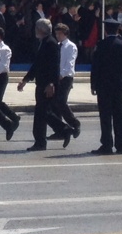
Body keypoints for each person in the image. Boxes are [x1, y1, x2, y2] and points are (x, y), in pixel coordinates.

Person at [17, 19, 68, 151]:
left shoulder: (51, 43)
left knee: (41, 113)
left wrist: (51, 83)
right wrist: (26, 80)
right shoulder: (43, 42)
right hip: (41, 82)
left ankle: (41, 141)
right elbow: (37, 65)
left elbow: (54, 65)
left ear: (40, 29)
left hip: (47, 84)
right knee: (43, 112)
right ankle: (64, 130)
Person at [90, 21, 122, 156]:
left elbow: (95, 66)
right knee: (120, 115)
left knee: (105, 116)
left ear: (106, 30)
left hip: (104, 85)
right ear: (118, 30)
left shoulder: (101, 45)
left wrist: (93, 84)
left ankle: (107, 144)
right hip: (119, 85)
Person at [52, 21, 82, 139]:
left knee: (61, 102)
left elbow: (70, 63)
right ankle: (59, 129)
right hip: (56, 77)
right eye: (56, 34)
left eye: (59, 34)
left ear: (65, 34)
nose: (57, 36)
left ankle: (74, 123)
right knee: (54, 104)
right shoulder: (56, 45)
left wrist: (62, 74)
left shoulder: (71, 46)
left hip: (66, 77)